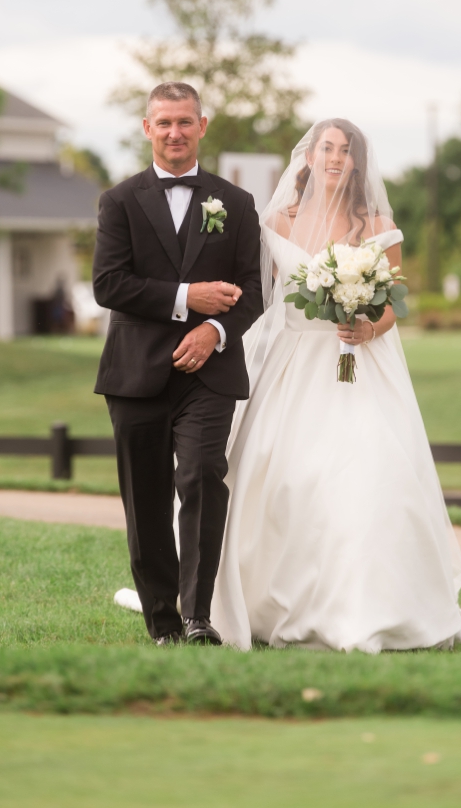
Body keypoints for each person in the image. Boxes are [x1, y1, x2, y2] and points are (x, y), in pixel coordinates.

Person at [210, 119, 461, 652]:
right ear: (309, 157)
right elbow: (262, 297)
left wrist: (366, 327)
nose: (336, 157)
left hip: (361, 361)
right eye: (327, 148)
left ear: (358, 162)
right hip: (292, 364)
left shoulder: (378, 223)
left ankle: (374, 605)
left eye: (346, 150)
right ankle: (268, 601)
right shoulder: (277, 219)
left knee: (370, 476)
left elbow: (393, 304)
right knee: (284, 475)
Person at [93, 82, 263, 645]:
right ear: (147, 128)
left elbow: (253, 290)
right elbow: (108, 284)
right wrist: (187, 298)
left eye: (184, 122)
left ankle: (197, 617)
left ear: (202, 126)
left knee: (201, 477)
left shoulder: (234, 204)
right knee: (145, 500)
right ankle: (162, 623)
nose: (174, 133)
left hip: (208, 376)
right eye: (163, 123)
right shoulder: (117, 202)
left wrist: (214, 330)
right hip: (135, 375)